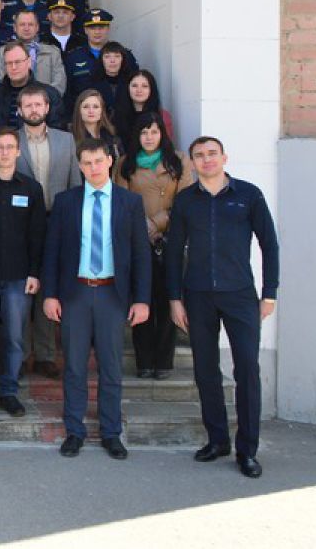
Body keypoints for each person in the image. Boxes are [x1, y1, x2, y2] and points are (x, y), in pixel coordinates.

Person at [166, 136, 279, 478]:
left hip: (240, 294)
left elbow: (269, 244)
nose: (207, 160)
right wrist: (174, 298)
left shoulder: (248, 195)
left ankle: (248, 450)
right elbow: (174, 251)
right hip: (198, 295)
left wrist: (269, 293)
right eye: (199, 155)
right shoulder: (186, 200)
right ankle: (217, 440)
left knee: (247, 370)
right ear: (193, 162)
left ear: (224, 157)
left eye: (212, 154)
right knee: (205, 370)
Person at [42, 137, 151, 460]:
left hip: (111, 294)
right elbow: (52, 251)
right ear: (80, 166)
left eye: (98, 161)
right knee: (74, 366)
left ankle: (111, 432)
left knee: (111, 367)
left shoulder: (130, 202)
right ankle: (74, 431)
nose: (93, 168)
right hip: (75, 292)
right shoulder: (66, 201)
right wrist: (50, 294)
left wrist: (142, 299)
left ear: (110, 161)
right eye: (87, 163)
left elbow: (141, 254)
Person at [114, 111, 195, 379]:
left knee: (167, 298)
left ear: (162, 134)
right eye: (144, 132)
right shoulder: (125, 163)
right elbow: (121, 201)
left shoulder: (179, 160)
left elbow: (186, 200)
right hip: (138, 239)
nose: (149, 137)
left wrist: (158, 222)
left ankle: (164, 362)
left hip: (171, 238)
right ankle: (144, 361)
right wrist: (143, 226)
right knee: (142, 298)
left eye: (154, 131)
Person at [0, 128, 46, 418]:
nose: (4, 152)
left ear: (18, 151)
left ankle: (9, 391)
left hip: (19, 276)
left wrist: (35, 272)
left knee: (14, 337)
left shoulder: (31, 188)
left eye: (9, 147)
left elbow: (37, 235)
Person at [14, 83, 80, 379]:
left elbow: (75, 184)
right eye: (27, 105)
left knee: (49, 285)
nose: (33, 110)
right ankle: (21, 354)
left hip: (57, 220)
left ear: (47, 107)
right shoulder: (10, 140)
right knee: (21, 288)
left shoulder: (67, 140)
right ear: (19, 110)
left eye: (38, 104)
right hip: (22, 222)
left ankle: (45, 354)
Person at [0, 12, 66, 97]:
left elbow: (59, 84)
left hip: (46, 102)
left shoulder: (52, 52)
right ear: (15, 28)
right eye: (22, 24)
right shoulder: (2, 52)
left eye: (30, 24)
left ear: (37, 27)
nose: (26, 28)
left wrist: (39, 100)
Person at [0, 41, 66, 129]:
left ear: (29, 62)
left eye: (18, 62)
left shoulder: (49, 94)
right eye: (9, 63)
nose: (13, 67)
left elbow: (57, 130)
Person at [114, 69, 175, 145]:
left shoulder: (163, 116)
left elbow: (167, 146)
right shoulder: (117, 115)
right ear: (128, 88)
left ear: (151, 89)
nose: (139, 90)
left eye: (145, 86)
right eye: (134, 86)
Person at [70, 89, 122, 174]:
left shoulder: (112, 136)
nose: (91, 111)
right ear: (79, 110)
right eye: (86, 107)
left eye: (95, 107)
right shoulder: (69, 137)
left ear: (102, 110)